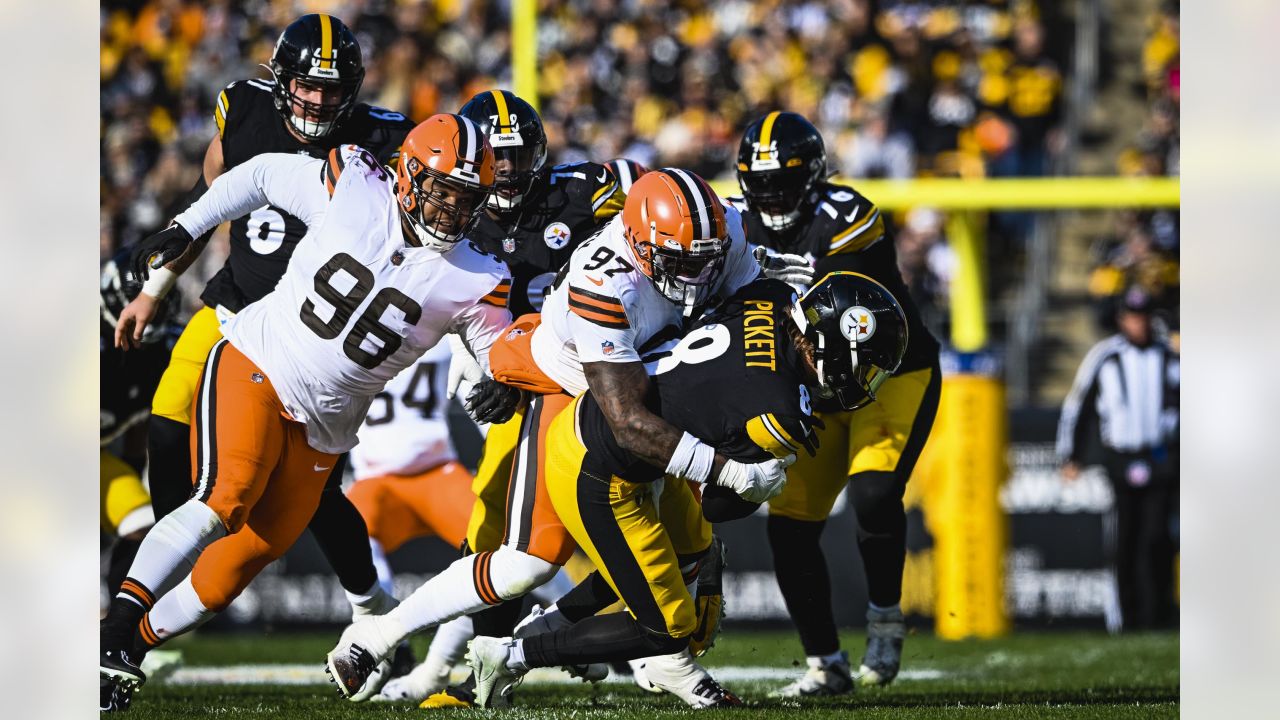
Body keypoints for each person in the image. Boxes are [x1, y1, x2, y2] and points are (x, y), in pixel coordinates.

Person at [325, 168, 811, 707]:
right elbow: (625, 419)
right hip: (571, 384)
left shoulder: (723, 234)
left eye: (706, 261)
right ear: (639, 245)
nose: (696, 276)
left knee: (677, 555)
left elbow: (741, 322)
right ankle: (377, 637)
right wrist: (730, 470)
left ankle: (577, 649)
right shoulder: (605, 281)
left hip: (647, 389)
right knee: (528, 560)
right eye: (681, 262)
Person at [99, 114, 515, 712]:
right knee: (225, 497)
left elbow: (495, 347)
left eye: (467, 198)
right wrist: (186, 225)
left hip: (325, 431)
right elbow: (262, 174)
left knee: (227, 576)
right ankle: (116, 629)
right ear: (410, 175)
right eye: (444, 192)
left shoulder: (477, 274)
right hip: (260, 363)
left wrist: (505, 380)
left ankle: (123, 651)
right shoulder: (354, 185)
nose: (454, 210)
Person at [465, 271, 911, 708]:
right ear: (836, 347)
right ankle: (509, 656)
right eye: (866, 364)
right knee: (668, 628)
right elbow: (718, 505)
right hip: (600, 467)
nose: (864, 380)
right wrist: (756, 484)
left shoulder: (770, 298)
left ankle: (547, 627)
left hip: (609, 430)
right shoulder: (782, 415)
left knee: (675, 560)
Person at [112, 13, 416, 629]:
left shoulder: (385, 141)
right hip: (233, 307)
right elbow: (209, 204)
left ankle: (370, 606)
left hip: (308, 336)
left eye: (333, 89)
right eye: (306, 85)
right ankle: (167, 581)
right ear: (279, 79)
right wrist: (158, 287)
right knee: (167, 434)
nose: (318, 99)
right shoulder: (244, 111)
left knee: (316, 494)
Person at [732, 111, 941, 695]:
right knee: (790, 530)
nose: (771, 195)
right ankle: (825, 663)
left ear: (813, 174)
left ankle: (885, 616)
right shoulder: (733, 222)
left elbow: (848, 319)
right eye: (761, 183)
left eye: (782, 181)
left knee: (874, 492)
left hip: (885, 370)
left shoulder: (846, 219)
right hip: (813, 382)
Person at [1057, 287, 1179, 632]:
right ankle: (1126, 617)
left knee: (1158, 539)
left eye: (1143, 317)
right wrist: (1071, 455)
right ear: (1122, 319)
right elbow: (1079, 406)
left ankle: (1160, 615)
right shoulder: (1106, 356)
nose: (1138, 324)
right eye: (1132, 316)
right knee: (1124, 541)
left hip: (1160, 457)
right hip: (1121, 458)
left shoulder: (1169, 354)